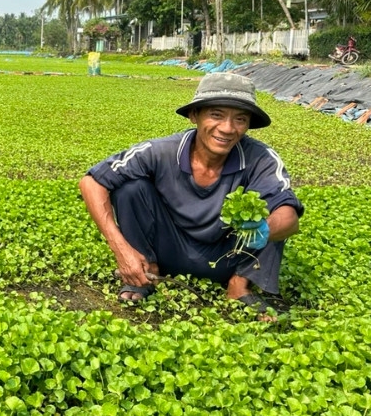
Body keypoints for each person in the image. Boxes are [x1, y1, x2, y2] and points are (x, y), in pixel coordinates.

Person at [79, 72, 303, 313]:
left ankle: (239, 286)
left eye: (240, 119)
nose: (227, 129)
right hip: (168, 249)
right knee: (130, 187)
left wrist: (264, 229)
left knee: (273, 208)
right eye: (216, 115)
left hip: (227, 256)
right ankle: (147, 271)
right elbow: (92, 182)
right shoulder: (160, 151)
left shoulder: (261, 159)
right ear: (194, 115)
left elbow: (289, 218)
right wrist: (121, 249)